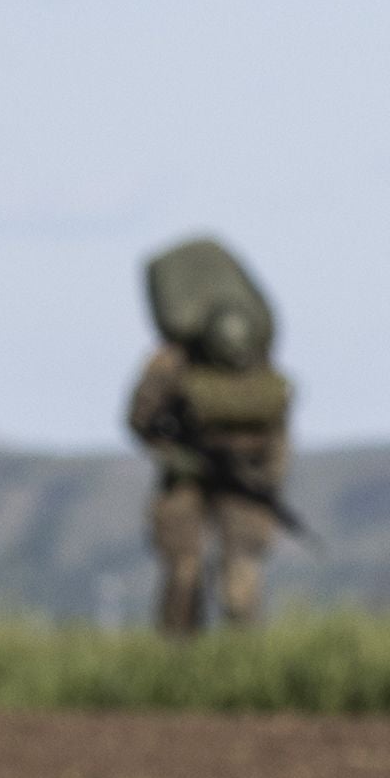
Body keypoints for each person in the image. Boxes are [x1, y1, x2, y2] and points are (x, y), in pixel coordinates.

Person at [127, 238, 295, 637]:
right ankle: (181, 656)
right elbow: (140, 418)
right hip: (188, 472)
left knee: (239, 572)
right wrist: (174, 457)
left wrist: (266, 479)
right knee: (184, 570)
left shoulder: (258, 375)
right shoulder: (173, 366)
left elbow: (276, 432)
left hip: (244, 478)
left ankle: (237, 659)